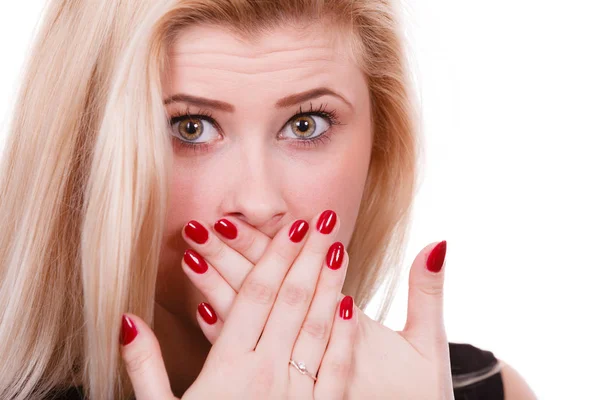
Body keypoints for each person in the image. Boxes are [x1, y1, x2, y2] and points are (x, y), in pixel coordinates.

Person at [0, 0, 537, 399]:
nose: (257, 204)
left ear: (381, 145)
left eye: (306, 124)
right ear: (84, 159)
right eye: (190, 128)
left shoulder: (479, 389)